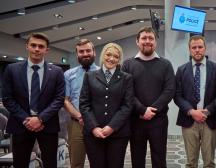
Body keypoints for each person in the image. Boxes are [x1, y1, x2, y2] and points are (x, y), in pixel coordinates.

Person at [2, 32, 65, 168]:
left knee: (50, 164)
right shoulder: (12, 69)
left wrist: (40, 119)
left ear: (46, 50)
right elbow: (7, 98)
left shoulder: (57, 71)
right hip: (20, 124)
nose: (37, 49)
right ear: (27, 46)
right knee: (20, 164)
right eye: (33, 45)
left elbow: (59, 99)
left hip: (48, 125)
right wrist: (26, 119)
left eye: (41, 46)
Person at [122, 27, 175, 168]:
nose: (147, 41)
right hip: (135, 121)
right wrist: (142, 110)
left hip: (159, 121)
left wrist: (152, 110)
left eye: (151, 38)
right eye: (144, 38)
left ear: (155, 42)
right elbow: (126, 92)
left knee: (159, 160)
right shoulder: (127, 65)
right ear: (137, 41)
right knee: (137, 160)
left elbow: (169, 90)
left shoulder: (166, 64)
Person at [79, 42, 133, 168]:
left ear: (119, 59)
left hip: (118, 134)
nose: (111, 59)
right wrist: (94, 127)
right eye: (108, 54)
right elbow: (84, 104)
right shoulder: (90, 76)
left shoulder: (126, 78)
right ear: (103, 55)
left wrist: (111, 127)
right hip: (93, 134)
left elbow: (127, 105)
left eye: (116, 56)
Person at [175, 35, 216, 168]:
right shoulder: (181, 70)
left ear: (205, 49)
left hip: (209, 120)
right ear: (189, 50)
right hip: (189, 121)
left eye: (200, 47)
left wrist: (206, 111)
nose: (197, 50)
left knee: (209, 163)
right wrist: (191, 111)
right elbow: (177, 95)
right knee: (190, 163)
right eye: (194, 47)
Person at [64, 39, 99, 168]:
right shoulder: (68, 74)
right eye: (81, 51)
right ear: (77, 54)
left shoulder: (103, 73)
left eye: (88, 50)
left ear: (94, 52)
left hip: (97, 123)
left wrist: (90, 118)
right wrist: (80, 116)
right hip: (76, 124)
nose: (85, 54)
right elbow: (65, 100)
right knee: (76, 163)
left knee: (98, 162)